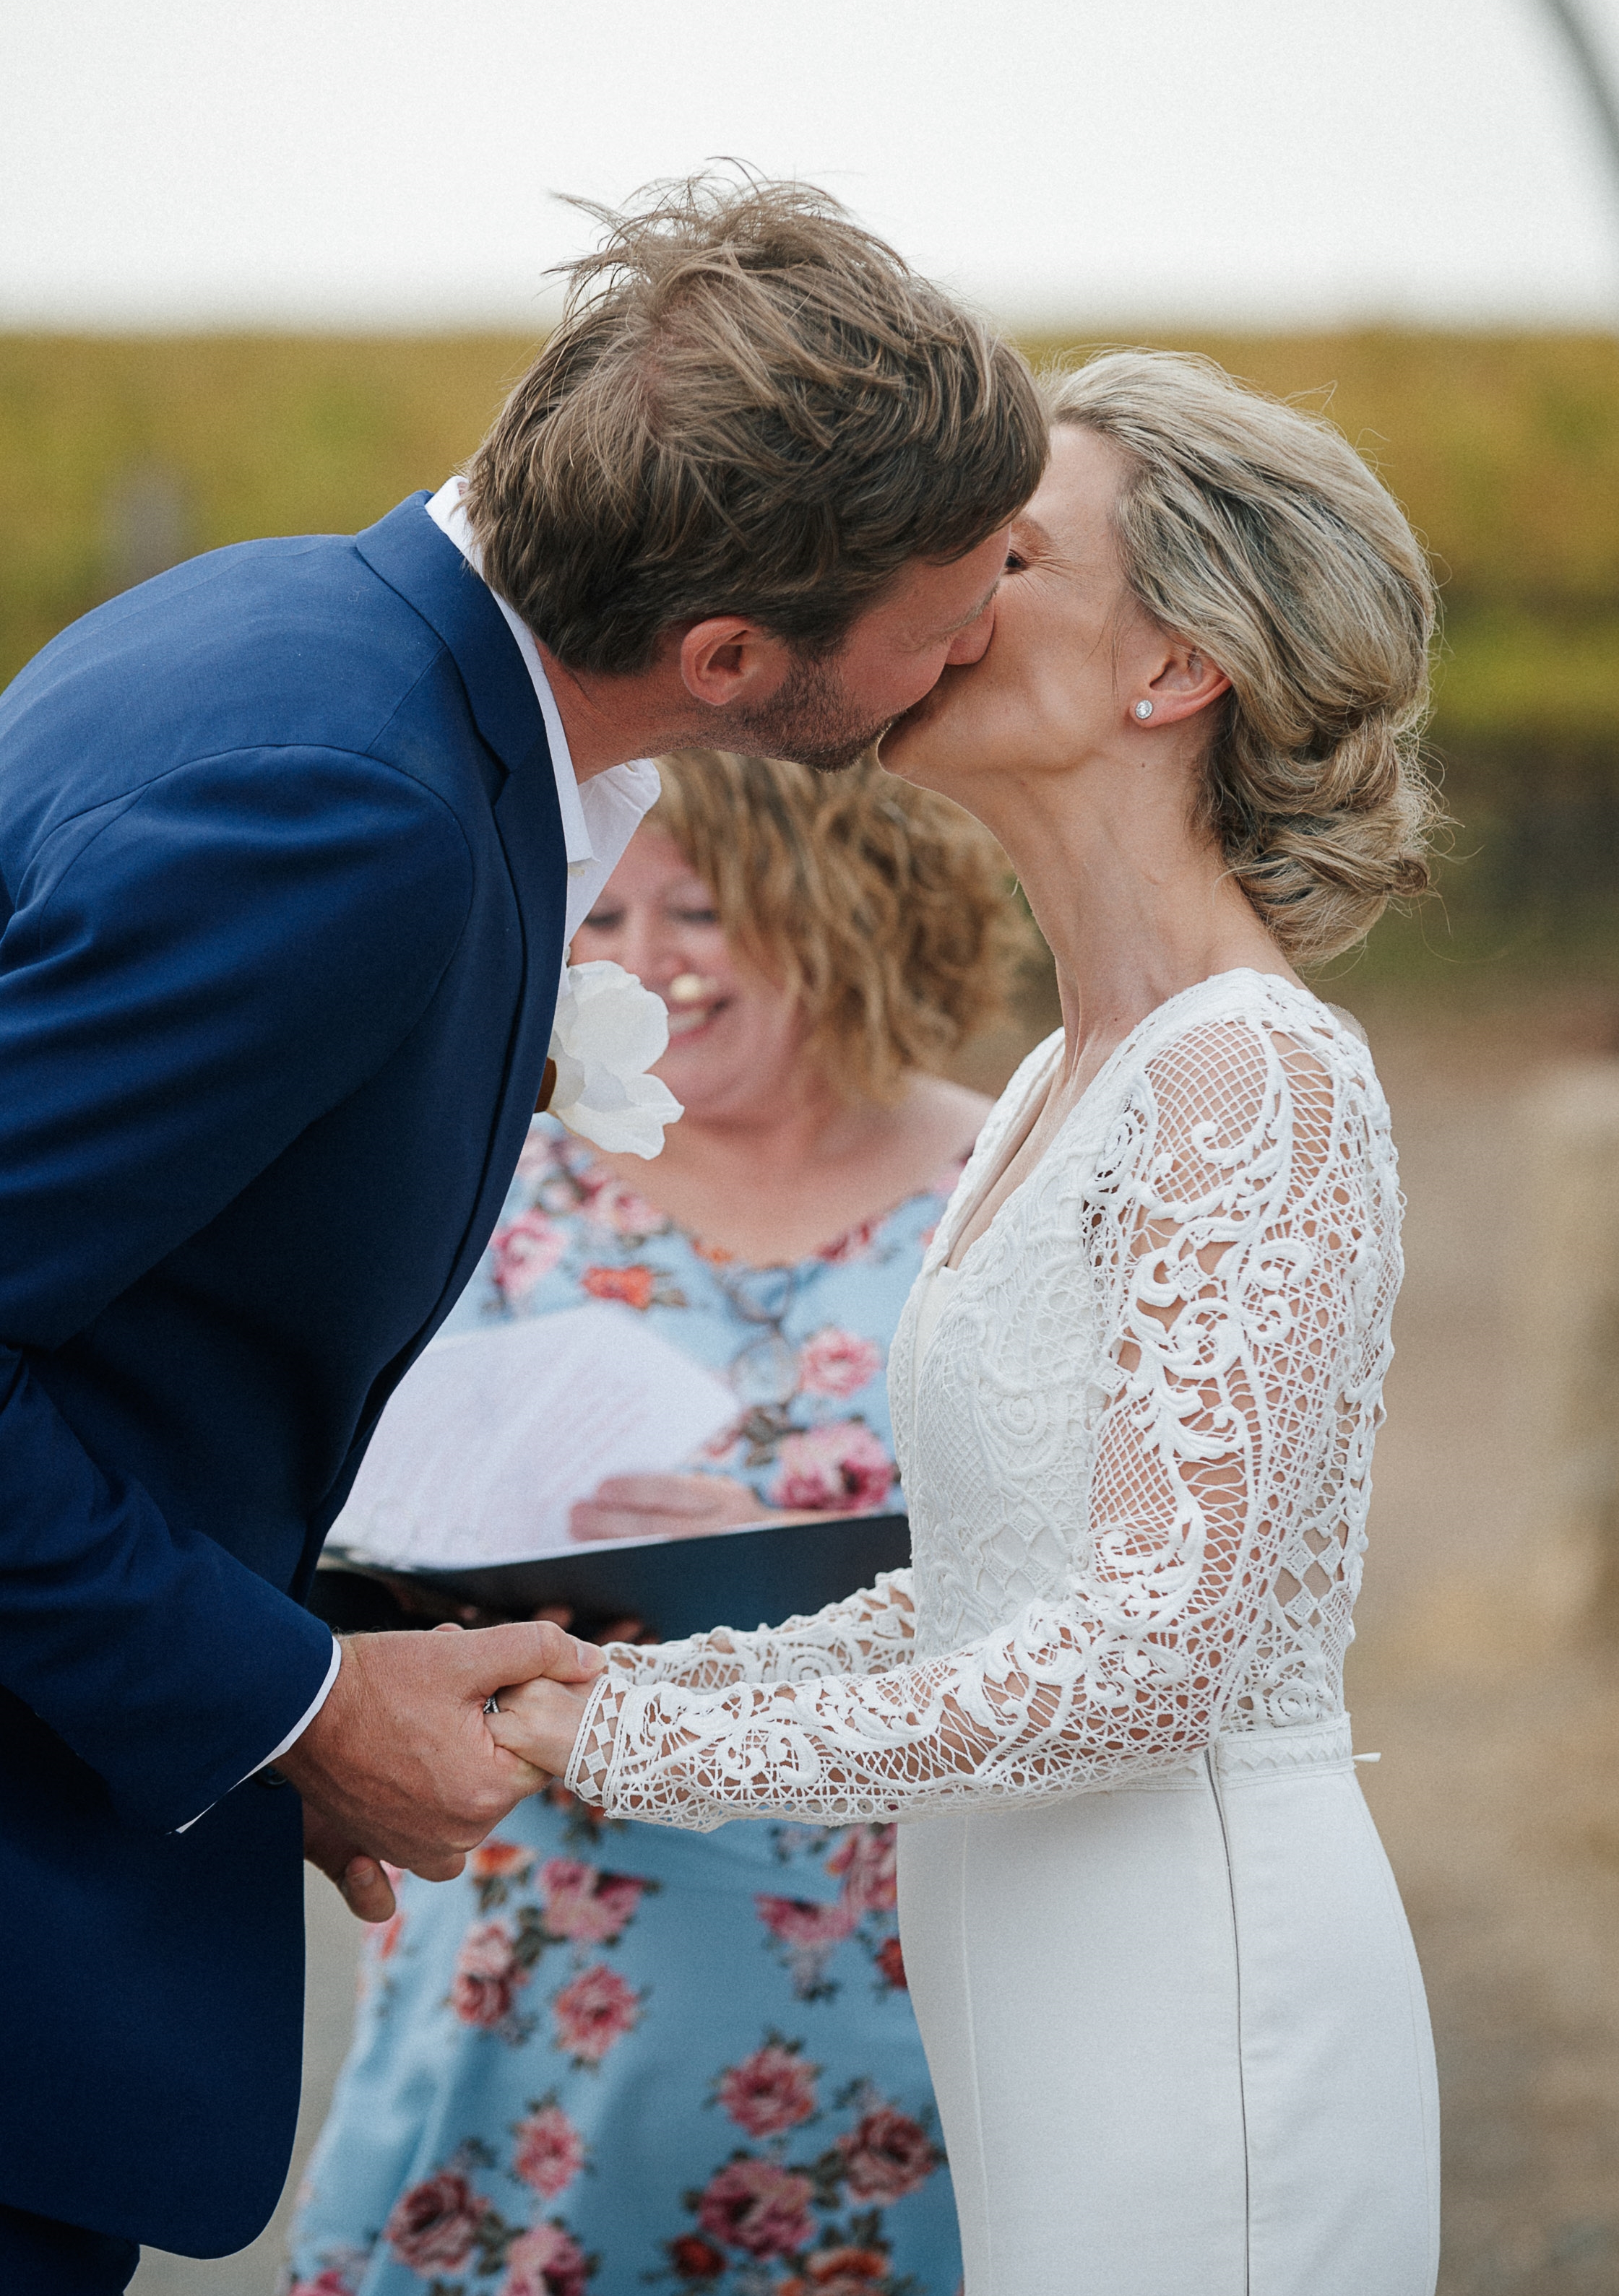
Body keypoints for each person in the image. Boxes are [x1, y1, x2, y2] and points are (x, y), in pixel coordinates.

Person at [0, 176, 1045, 2290]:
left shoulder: (294, 632)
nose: (984, 635)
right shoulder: (353, 809)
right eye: (951, 607)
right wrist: (295, 1705)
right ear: (730, 654)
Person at [488, 349, 1444, 2296]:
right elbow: (996, 1588)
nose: (925, 585)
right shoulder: (1052, 1085)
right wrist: (638, 1685)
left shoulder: (1252, 1077)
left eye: (1006, 555)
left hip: (1194, 1985)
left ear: (1175, 665)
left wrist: (648, 1749)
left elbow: (1148, 1655)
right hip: (1019, 1961)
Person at [285, 750, 1022, 2296]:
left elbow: (1100, 1556)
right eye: (605, 916)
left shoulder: (1005, 1187)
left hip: (874, 1911)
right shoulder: (492, 1173)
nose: (645, 962)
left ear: (850, 903)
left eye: (699, 908)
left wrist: (783, 1551)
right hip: (534, 1909)